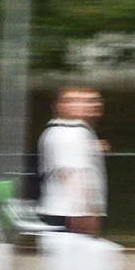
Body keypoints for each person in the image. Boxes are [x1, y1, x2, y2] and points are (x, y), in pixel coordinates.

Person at [36, 86, 108, 235]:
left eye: (93, 101)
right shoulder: (68, 133)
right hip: (71, 216)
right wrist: (83, 212)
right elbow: (71, 175)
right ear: (59, 106)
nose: (89, 105)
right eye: (74, 101)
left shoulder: (75, 131)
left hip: (68, 213)